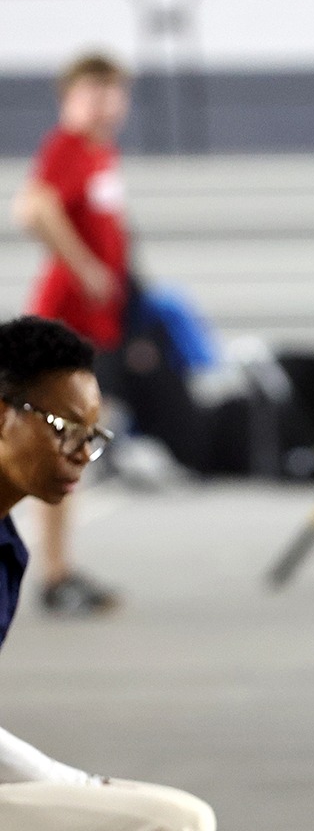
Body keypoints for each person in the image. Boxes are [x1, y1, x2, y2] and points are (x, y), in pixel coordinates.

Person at [0, 316, 216, 830]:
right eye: (66, 430)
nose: (81, 455)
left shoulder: (9, 550)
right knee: (174, 822)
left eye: (91, 436)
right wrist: (67, 783)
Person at [9, 53, 130, 618]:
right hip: (64, 322)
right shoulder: (66, 147)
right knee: (55, 450)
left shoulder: (100, 154)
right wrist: (83, 267)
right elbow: (31, 208)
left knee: (66, 449)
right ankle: (54, 575)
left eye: (111, 91)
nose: (103, 102)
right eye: (91, 91)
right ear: (68, 98)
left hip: (88, 326)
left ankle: (59, 571)